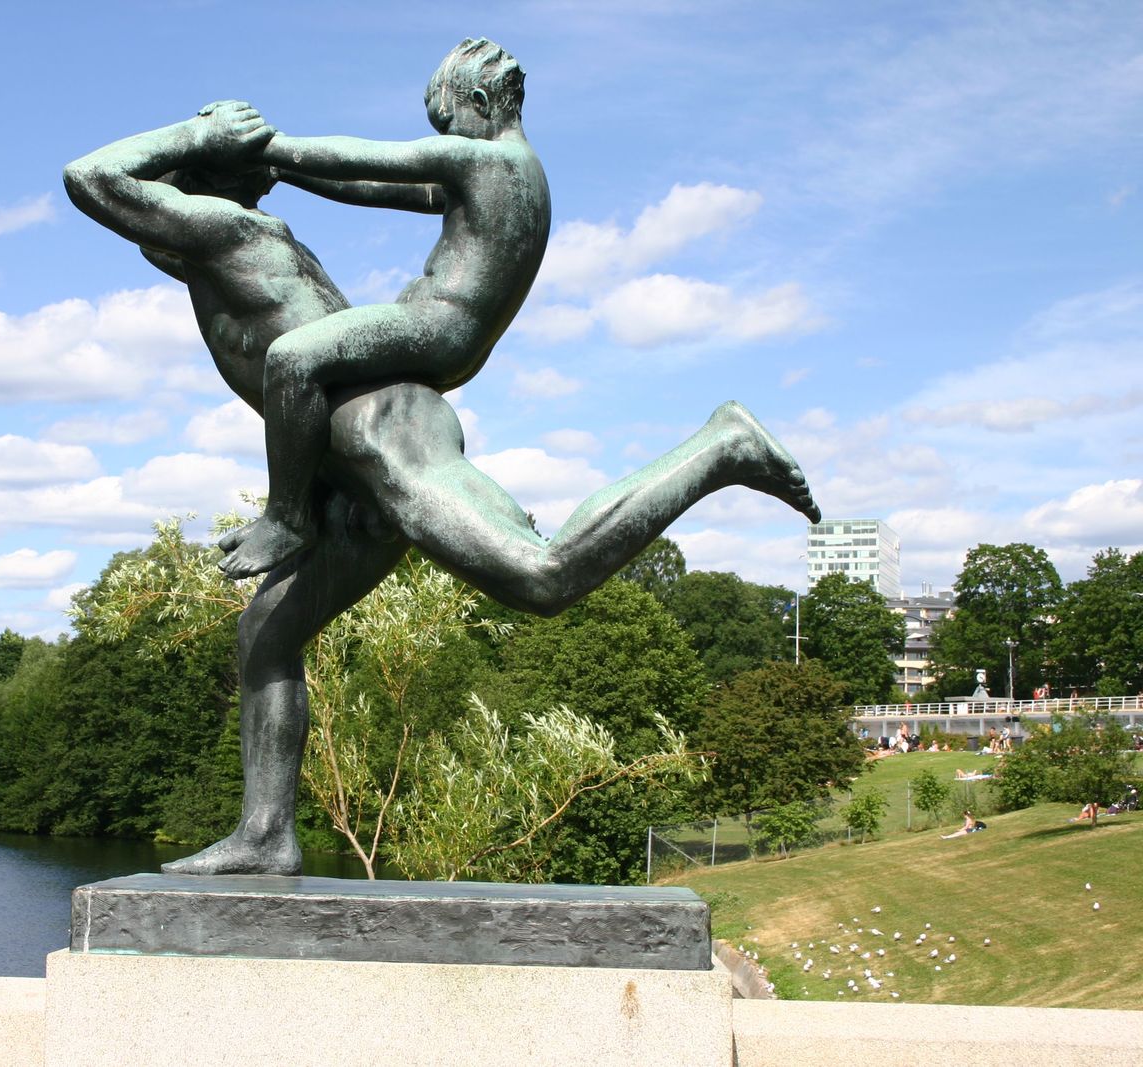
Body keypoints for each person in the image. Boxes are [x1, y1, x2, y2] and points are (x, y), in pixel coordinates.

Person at [63, 98, 819, 875]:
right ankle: (266, 833)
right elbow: (126, 201)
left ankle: (720, 448)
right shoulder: (212, 248)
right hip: (346, 473)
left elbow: (90, 177)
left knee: (541, 575)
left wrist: (198, 136)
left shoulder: (229, 230)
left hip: (384, 436)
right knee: (266, 636)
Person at [215, 38, 552, 578]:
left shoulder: (484, 157)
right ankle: (335, 492)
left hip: (436, 327)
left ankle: (286, 518)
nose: (446, 137)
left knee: (292, 358)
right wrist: (283, 173)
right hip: (456, 342)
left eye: (449, 122)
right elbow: (368, 186)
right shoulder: (516, 173)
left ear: (483, 104)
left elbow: (369, 157)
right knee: (323, 382)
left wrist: (264, 145)